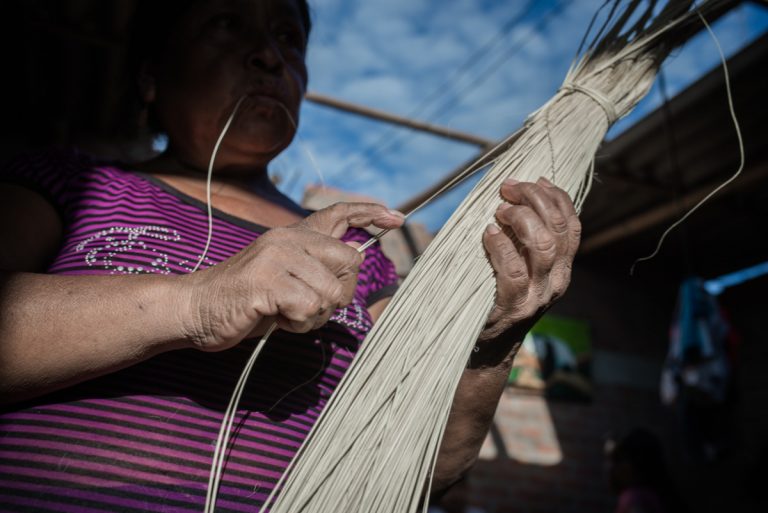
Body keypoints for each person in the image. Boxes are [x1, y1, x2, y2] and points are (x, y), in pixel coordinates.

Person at [0, 0, 581, 511]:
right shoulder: (70, 185)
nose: (269, 56)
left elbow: (428, 470)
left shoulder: (356, 250)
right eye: (227, 23)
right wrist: (198, 301)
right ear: (152, 74)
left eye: (289, 37)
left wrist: (492, 344)